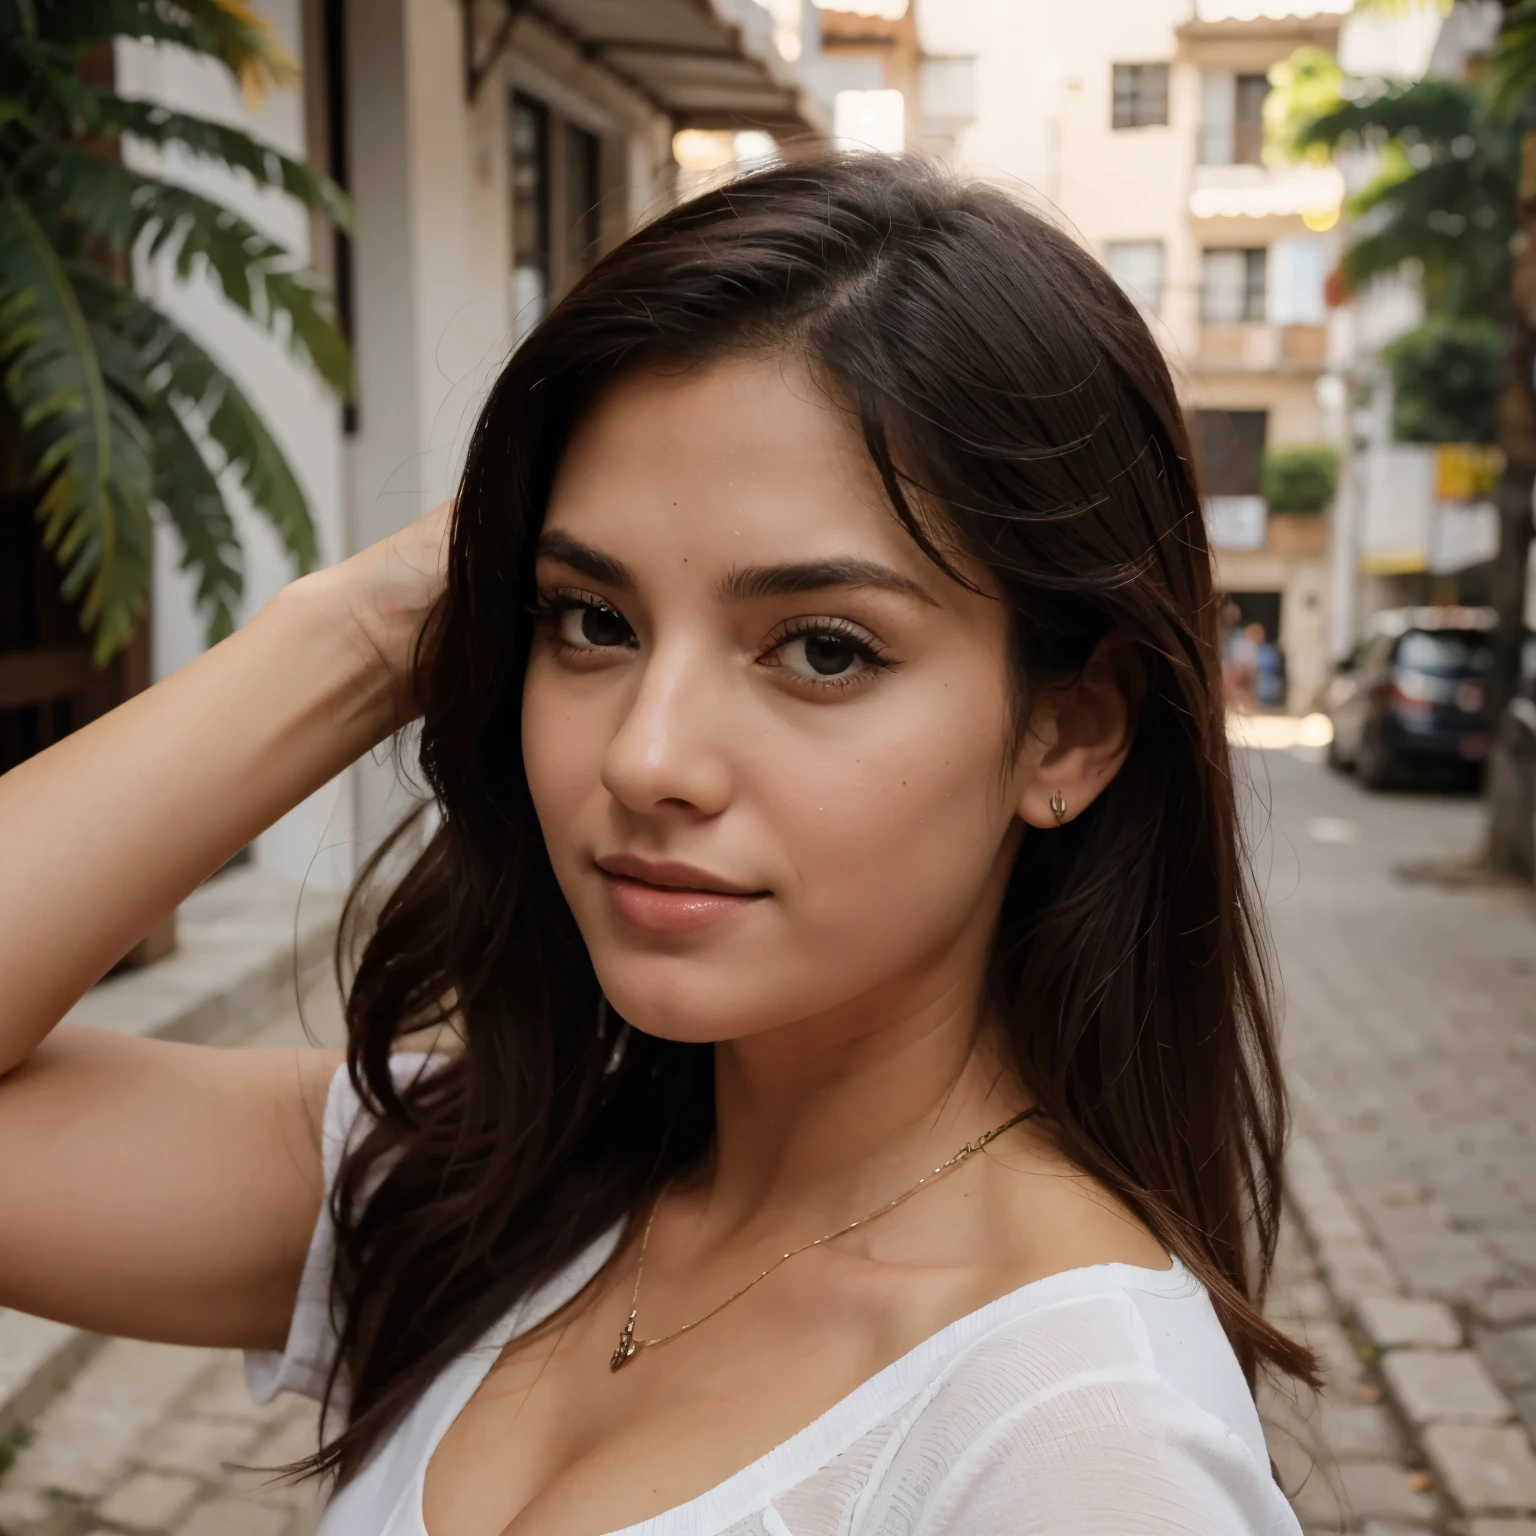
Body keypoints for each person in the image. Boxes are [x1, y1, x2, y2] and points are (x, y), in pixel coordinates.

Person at [0, 156, 1314, 1535]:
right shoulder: (479, 1189)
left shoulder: (1075, 1442)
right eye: (592, 619)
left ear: (1067, 732)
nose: (646, 757)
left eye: (822, 648)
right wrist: (364, 627)